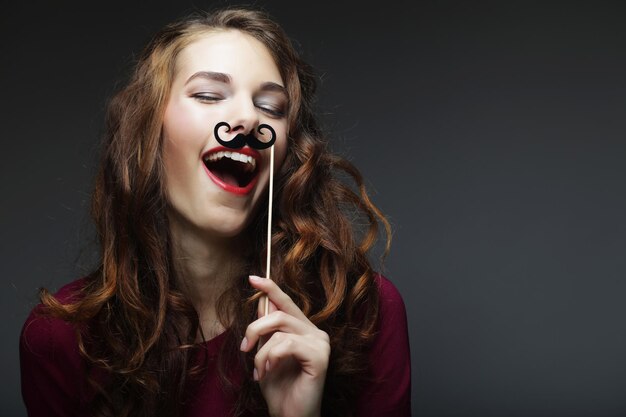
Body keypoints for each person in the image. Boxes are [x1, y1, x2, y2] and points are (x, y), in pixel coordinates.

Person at [19, 6, 411, 417]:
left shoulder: (364, 312)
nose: (247, 118)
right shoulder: (61, 336)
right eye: (208, 95)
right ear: (147, 129)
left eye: (272, 107)